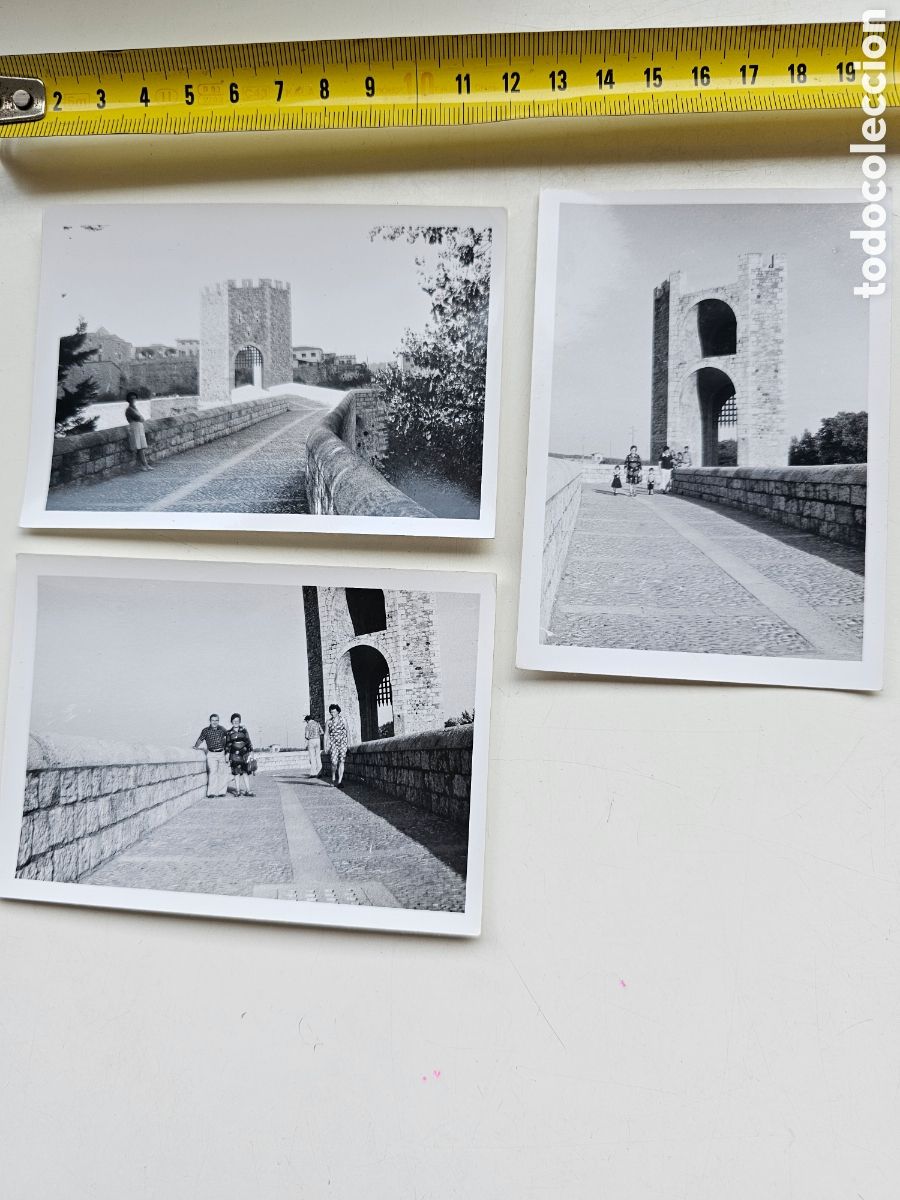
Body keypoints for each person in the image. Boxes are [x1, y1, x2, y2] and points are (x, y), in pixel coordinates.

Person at [194, 712, 229, 797]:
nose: (214, 722)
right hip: (211, 754)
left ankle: (221, 792)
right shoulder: (205, 730)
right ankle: (211, 793)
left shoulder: (222, 729)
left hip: (221, 753)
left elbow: (229, 736)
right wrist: (196, 747)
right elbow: (200, 739)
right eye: (213, 720)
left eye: (216, 720)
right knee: (212, 772)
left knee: (222, 773)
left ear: (218, 721)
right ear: (210, 721)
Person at [224, 712, 254, 797]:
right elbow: (227, 745)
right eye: (234, 721)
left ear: (239, 721)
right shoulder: (229, 732)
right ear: (231, 721)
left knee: (245, 773)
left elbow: (248, 741)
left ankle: (248, 791)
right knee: (236, 774)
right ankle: (237, 791)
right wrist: (227, 755)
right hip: (234, 755)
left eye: (237, 720)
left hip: (244, 755)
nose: (236, 722)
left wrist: (251, 752)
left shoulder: (244, 730)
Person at [124, 392, 153, 471]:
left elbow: (141, 418)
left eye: (134, 398)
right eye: (131, 398)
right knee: (138, 447)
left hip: (139, 427)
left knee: (141, 447)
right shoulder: (129, 409)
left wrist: (141, 418)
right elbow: (140, 418)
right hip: (134, 428)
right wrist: (140, 418)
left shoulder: (134, 408)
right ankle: (143, 465)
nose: (133, 400)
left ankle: (144, 465)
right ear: (128, 400)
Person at [324, 703, 349, 787]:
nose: (332, 714)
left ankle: (340, 781)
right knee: (334, 762)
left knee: (342, 761)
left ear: (338, 712)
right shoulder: (328, 722)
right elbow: (326, 734)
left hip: (343, 742)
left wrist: (348, 744)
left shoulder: (343, 720)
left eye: (334, 712)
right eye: (331, 712)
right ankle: (333, 776)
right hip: (333, 743)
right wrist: (325, 746)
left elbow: (348, 732)